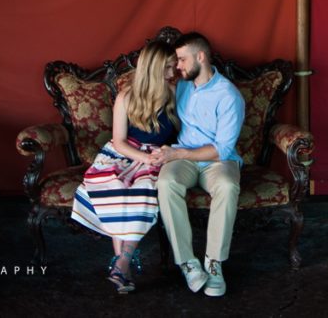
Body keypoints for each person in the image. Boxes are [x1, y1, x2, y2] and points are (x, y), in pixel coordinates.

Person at [70, 40, 179, 294]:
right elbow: (118, 141)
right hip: (124, 153)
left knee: (143, 193)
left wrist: (159, 156)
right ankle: (123, 267)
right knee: (115, 187)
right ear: (153, 68)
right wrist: (140, 158)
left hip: (157, 156)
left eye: (174, 67)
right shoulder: (127, 96)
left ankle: (122, 264)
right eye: (168, 68)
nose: (173, 73)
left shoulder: (175, 92)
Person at [151, 32, 244, 297]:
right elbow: (147, 89)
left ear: (200, 57)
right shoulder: (181, 85)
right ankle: (188, 263)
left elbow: (222, 149)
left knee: (227, 186)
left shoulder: (229, 95)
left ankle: (214, 264)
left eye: (181, 59)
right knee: (166, 181)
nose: (178, 66)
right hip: (184, 157)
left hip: (217, 161)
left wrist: (177, 155)